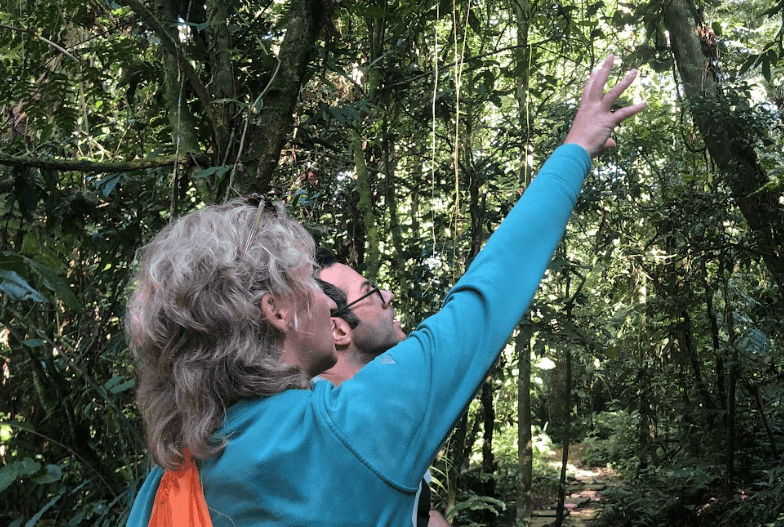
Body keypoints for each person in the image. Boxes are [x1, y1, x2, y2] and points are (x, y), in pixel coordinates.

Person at [125, 55, 645, 527]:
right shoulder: (345, 428)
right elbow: (486, 298)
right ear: (276, 311)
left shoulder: (170, 480)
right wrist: (576, 148)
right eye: (307, 283)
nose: (325, 299)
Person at [314, 248, 449, 527]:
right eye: (369, 292)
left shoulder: (380, 404)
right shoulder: (314, 424)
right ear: (338, 331)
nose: (388, 296)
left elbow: (422, 512)